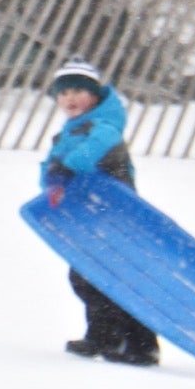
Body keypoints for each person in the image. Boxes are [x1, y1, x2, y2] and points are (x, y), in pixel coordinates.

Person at [42, 59, 160, 367]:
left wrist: (67, 167)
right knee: (84, 276)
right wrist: (50, 182)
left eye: (78, 91)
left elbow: (93, 150)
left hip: (116, 215)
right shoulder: (68, 133)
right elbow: (52, 163)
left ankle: (142, 345)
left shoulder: (104, 126)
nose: (69, 98)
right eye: (63, 92)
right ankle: (103, 335)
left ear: (95, 95)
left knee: (119, 275)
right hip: (89, 216)